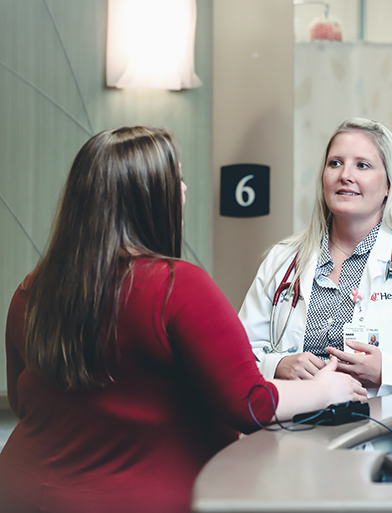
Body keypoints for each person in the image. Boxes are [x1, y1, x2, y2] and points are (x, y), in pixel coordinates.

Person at [0, 126, 367, 513]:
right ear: (150, 198)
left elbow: (25, 401)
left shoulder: (32, 289)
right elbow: (250, 404)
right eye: (176, 179)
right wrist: (326, 389)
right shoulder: (176, 286)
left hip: (18, 490)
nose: (185, 190)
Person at [239, 118, 392, 396]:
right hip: (295, 424)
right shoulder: (283, 259)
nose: (345, 175)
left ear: (389, 184)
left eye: (362, 165)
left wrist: (386, 371)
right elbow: (238, 354)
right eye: (335, 163)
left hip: (386, 432)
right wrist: (278, 364)